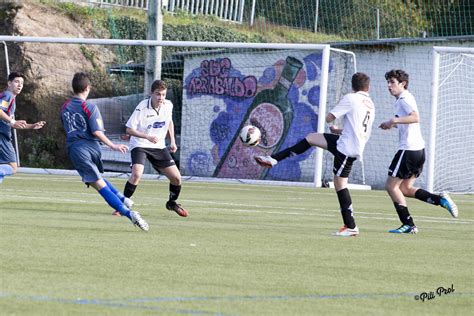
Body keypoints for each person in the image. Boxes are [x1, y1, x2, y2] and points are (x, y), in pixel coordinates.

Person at [255, 72, 375, 237]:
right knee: (311, 138)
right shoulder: (370, 104)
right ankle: (273, 159)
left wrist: (328, 118)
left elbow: (329, 117)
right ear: (368, 87)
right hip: (346, 142)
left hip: (346, 148)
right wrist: (338, 130)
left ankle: (351, 226)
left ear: (352, 86)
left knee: (340, 184)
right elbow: (358, 128)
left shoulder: (351, 98)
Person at [60, 72, 149, 231]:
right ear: (87, 88)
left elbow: (95, 132)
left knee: (99, 185)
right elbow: (97, 131)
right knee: (97, 178)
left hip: (78, 149)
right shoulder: (90, 106)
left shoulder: (65, 106)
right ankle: (123, 198)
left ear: (74, 88)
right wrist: (110, 144)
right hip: (92, 148)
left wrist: (112, 145)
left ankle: (129, 214)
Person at [379, 69, 458, 234]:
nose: (389, 86)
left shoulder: (404, 98)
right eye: (388, 82)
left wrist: (394, 120)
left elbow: (415, 117)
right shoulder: (404, 98)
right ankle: (440, 200)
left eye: (392, 82)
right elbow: (408, 121)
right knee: (406, 189)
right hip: (418, 151)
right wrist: (391, 124)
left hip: (408, 150)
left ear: (403, 84)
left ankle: (408, 224)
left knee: (391, 186)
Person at [122, 79, 188, 217]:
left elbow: (169, 121)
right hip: (140, 144)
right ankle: (121, 206)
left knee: (176, 178)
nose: (161, 98)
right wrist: (146, 137)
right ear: (151, 94)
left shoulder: (168, 105)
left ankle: (172, 203)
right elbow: (128, 129)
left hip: (158, 146)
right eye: (158, 94)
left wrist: (173, 141)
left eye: (163, 94)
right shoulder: (142, 107)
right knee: (137, 174)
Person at [0, 72, 45, 183]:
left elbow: (10, 122)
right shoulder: (8, 95)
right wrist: (12, 120)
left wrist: (31, 126)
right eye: (16, 82)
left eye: (22, 83)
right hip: (2, 138)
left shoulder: (9, 98)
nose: (20, 85)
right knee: (13, 167)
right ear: (9, 83)